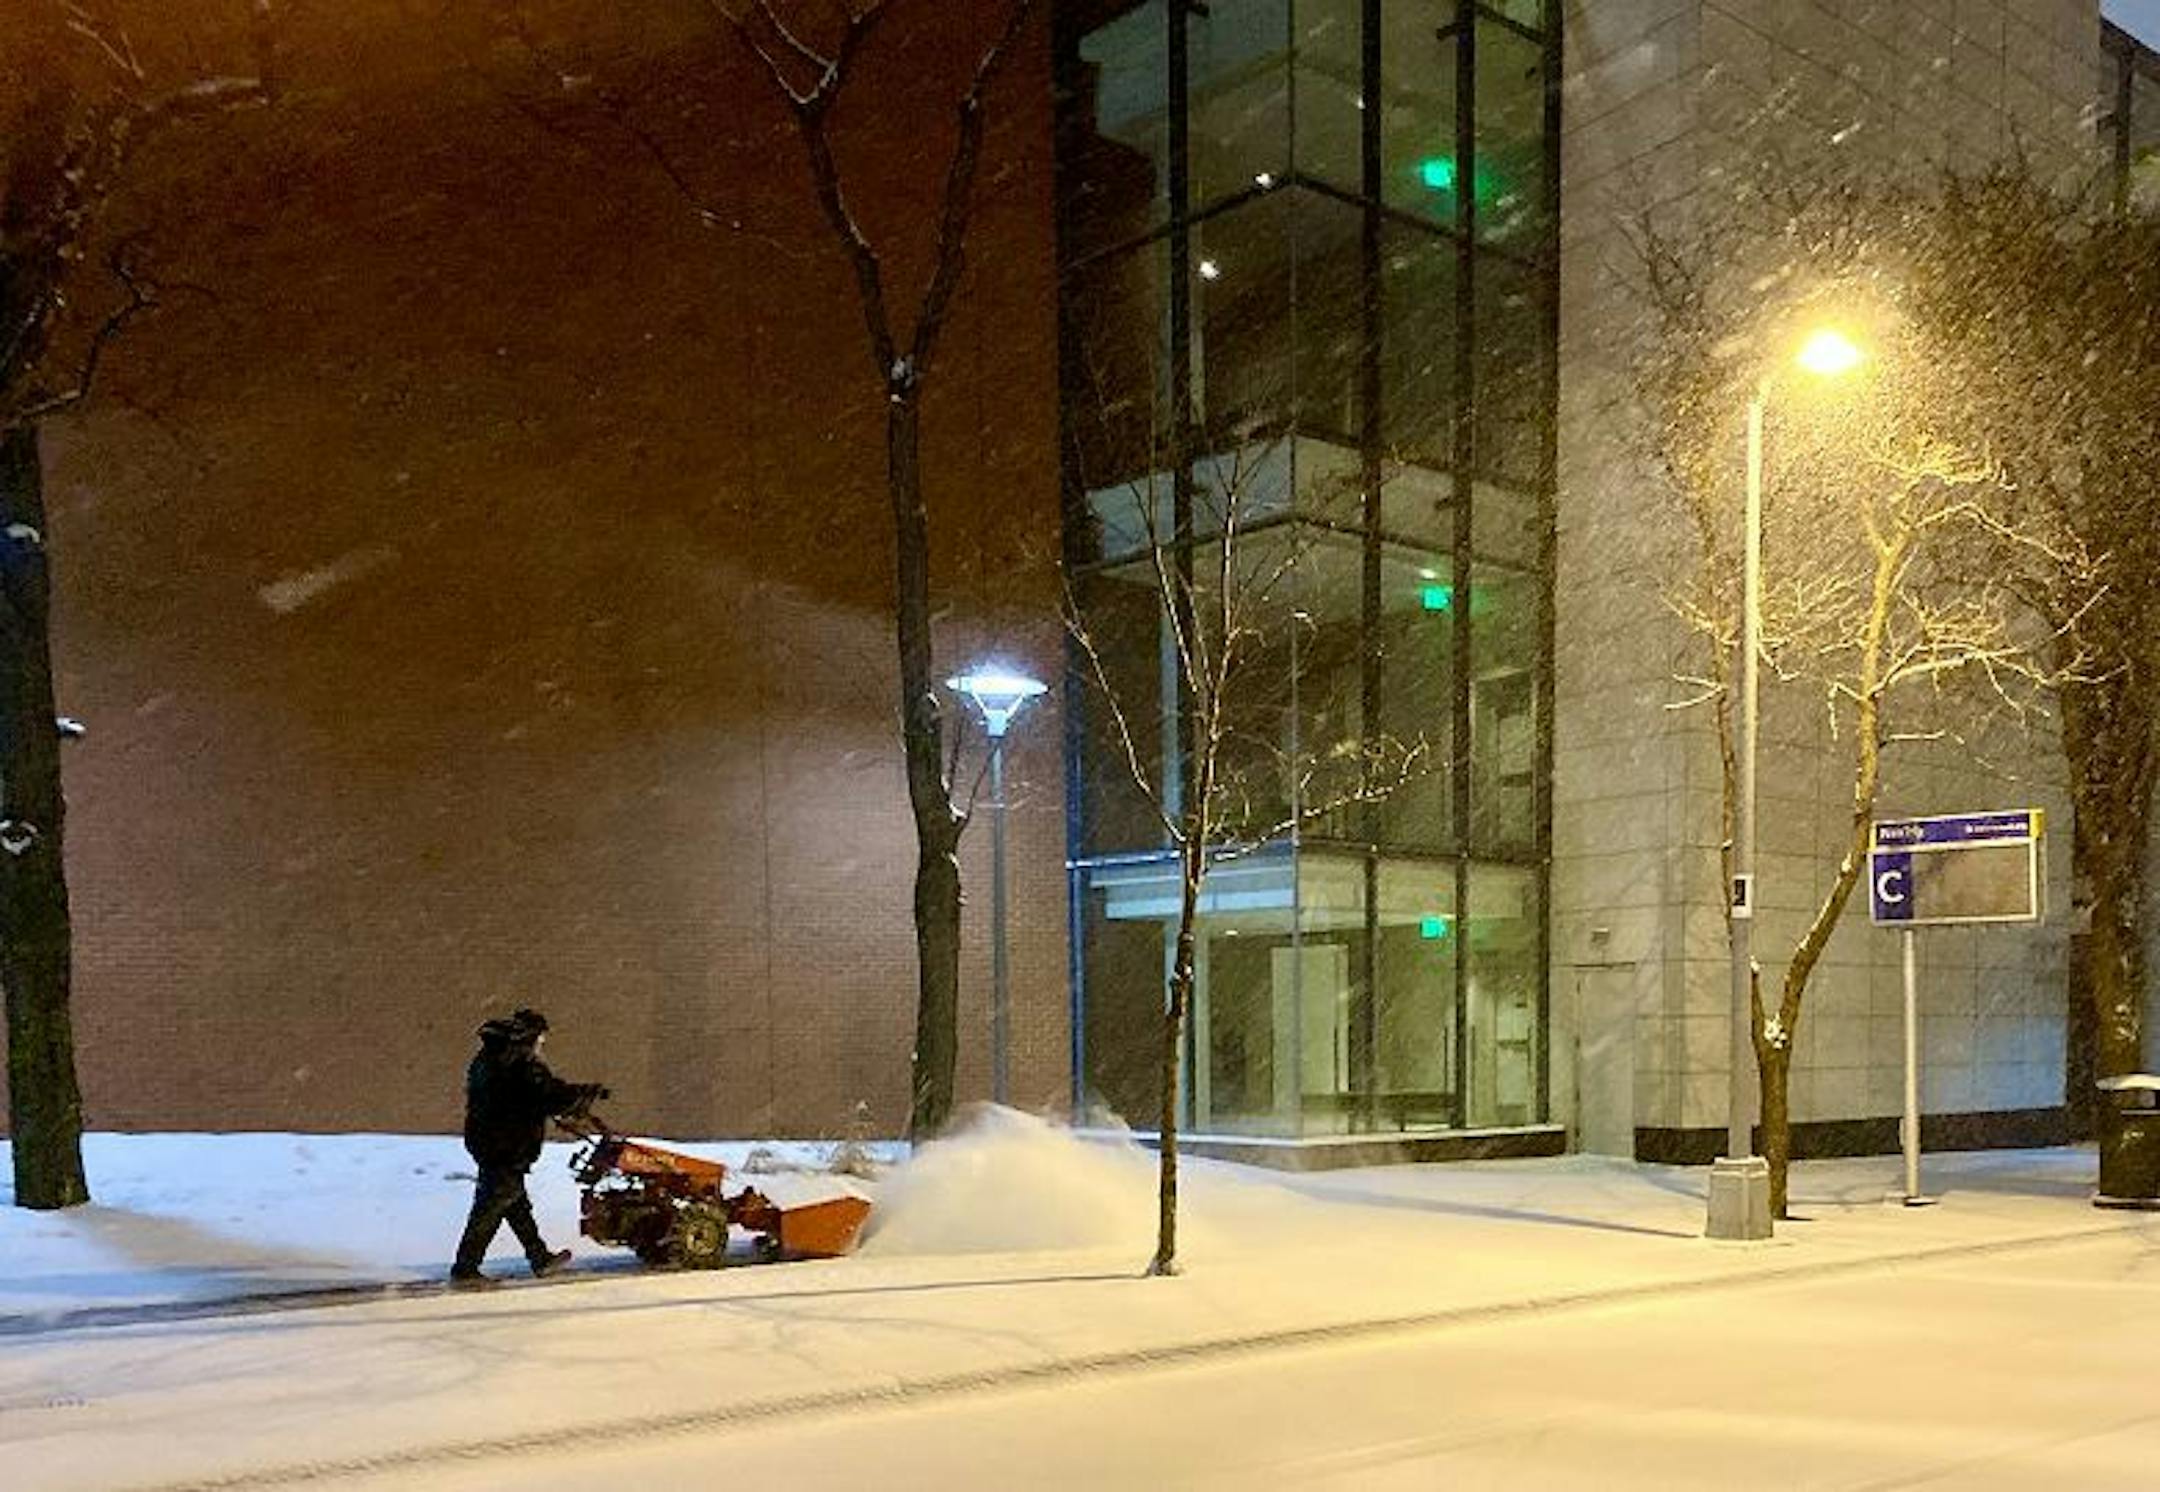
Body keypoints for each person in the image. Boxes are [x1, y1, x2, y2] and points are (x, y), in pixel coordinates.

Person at [450, 1006, 606, 1286]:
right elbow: (548, 1095)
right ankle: (465, 1269)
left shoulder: (489, 1059)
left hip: (488, 1141)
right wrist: (585, 1094)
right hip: (507, 1146)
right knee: (491, 1207)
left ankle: (539, 1258)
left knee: (515, 1205)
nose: (541, 1044)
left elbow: (530, 1097)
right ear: (531, 1037)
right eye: (541, 1038)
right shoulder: (519, 1064)